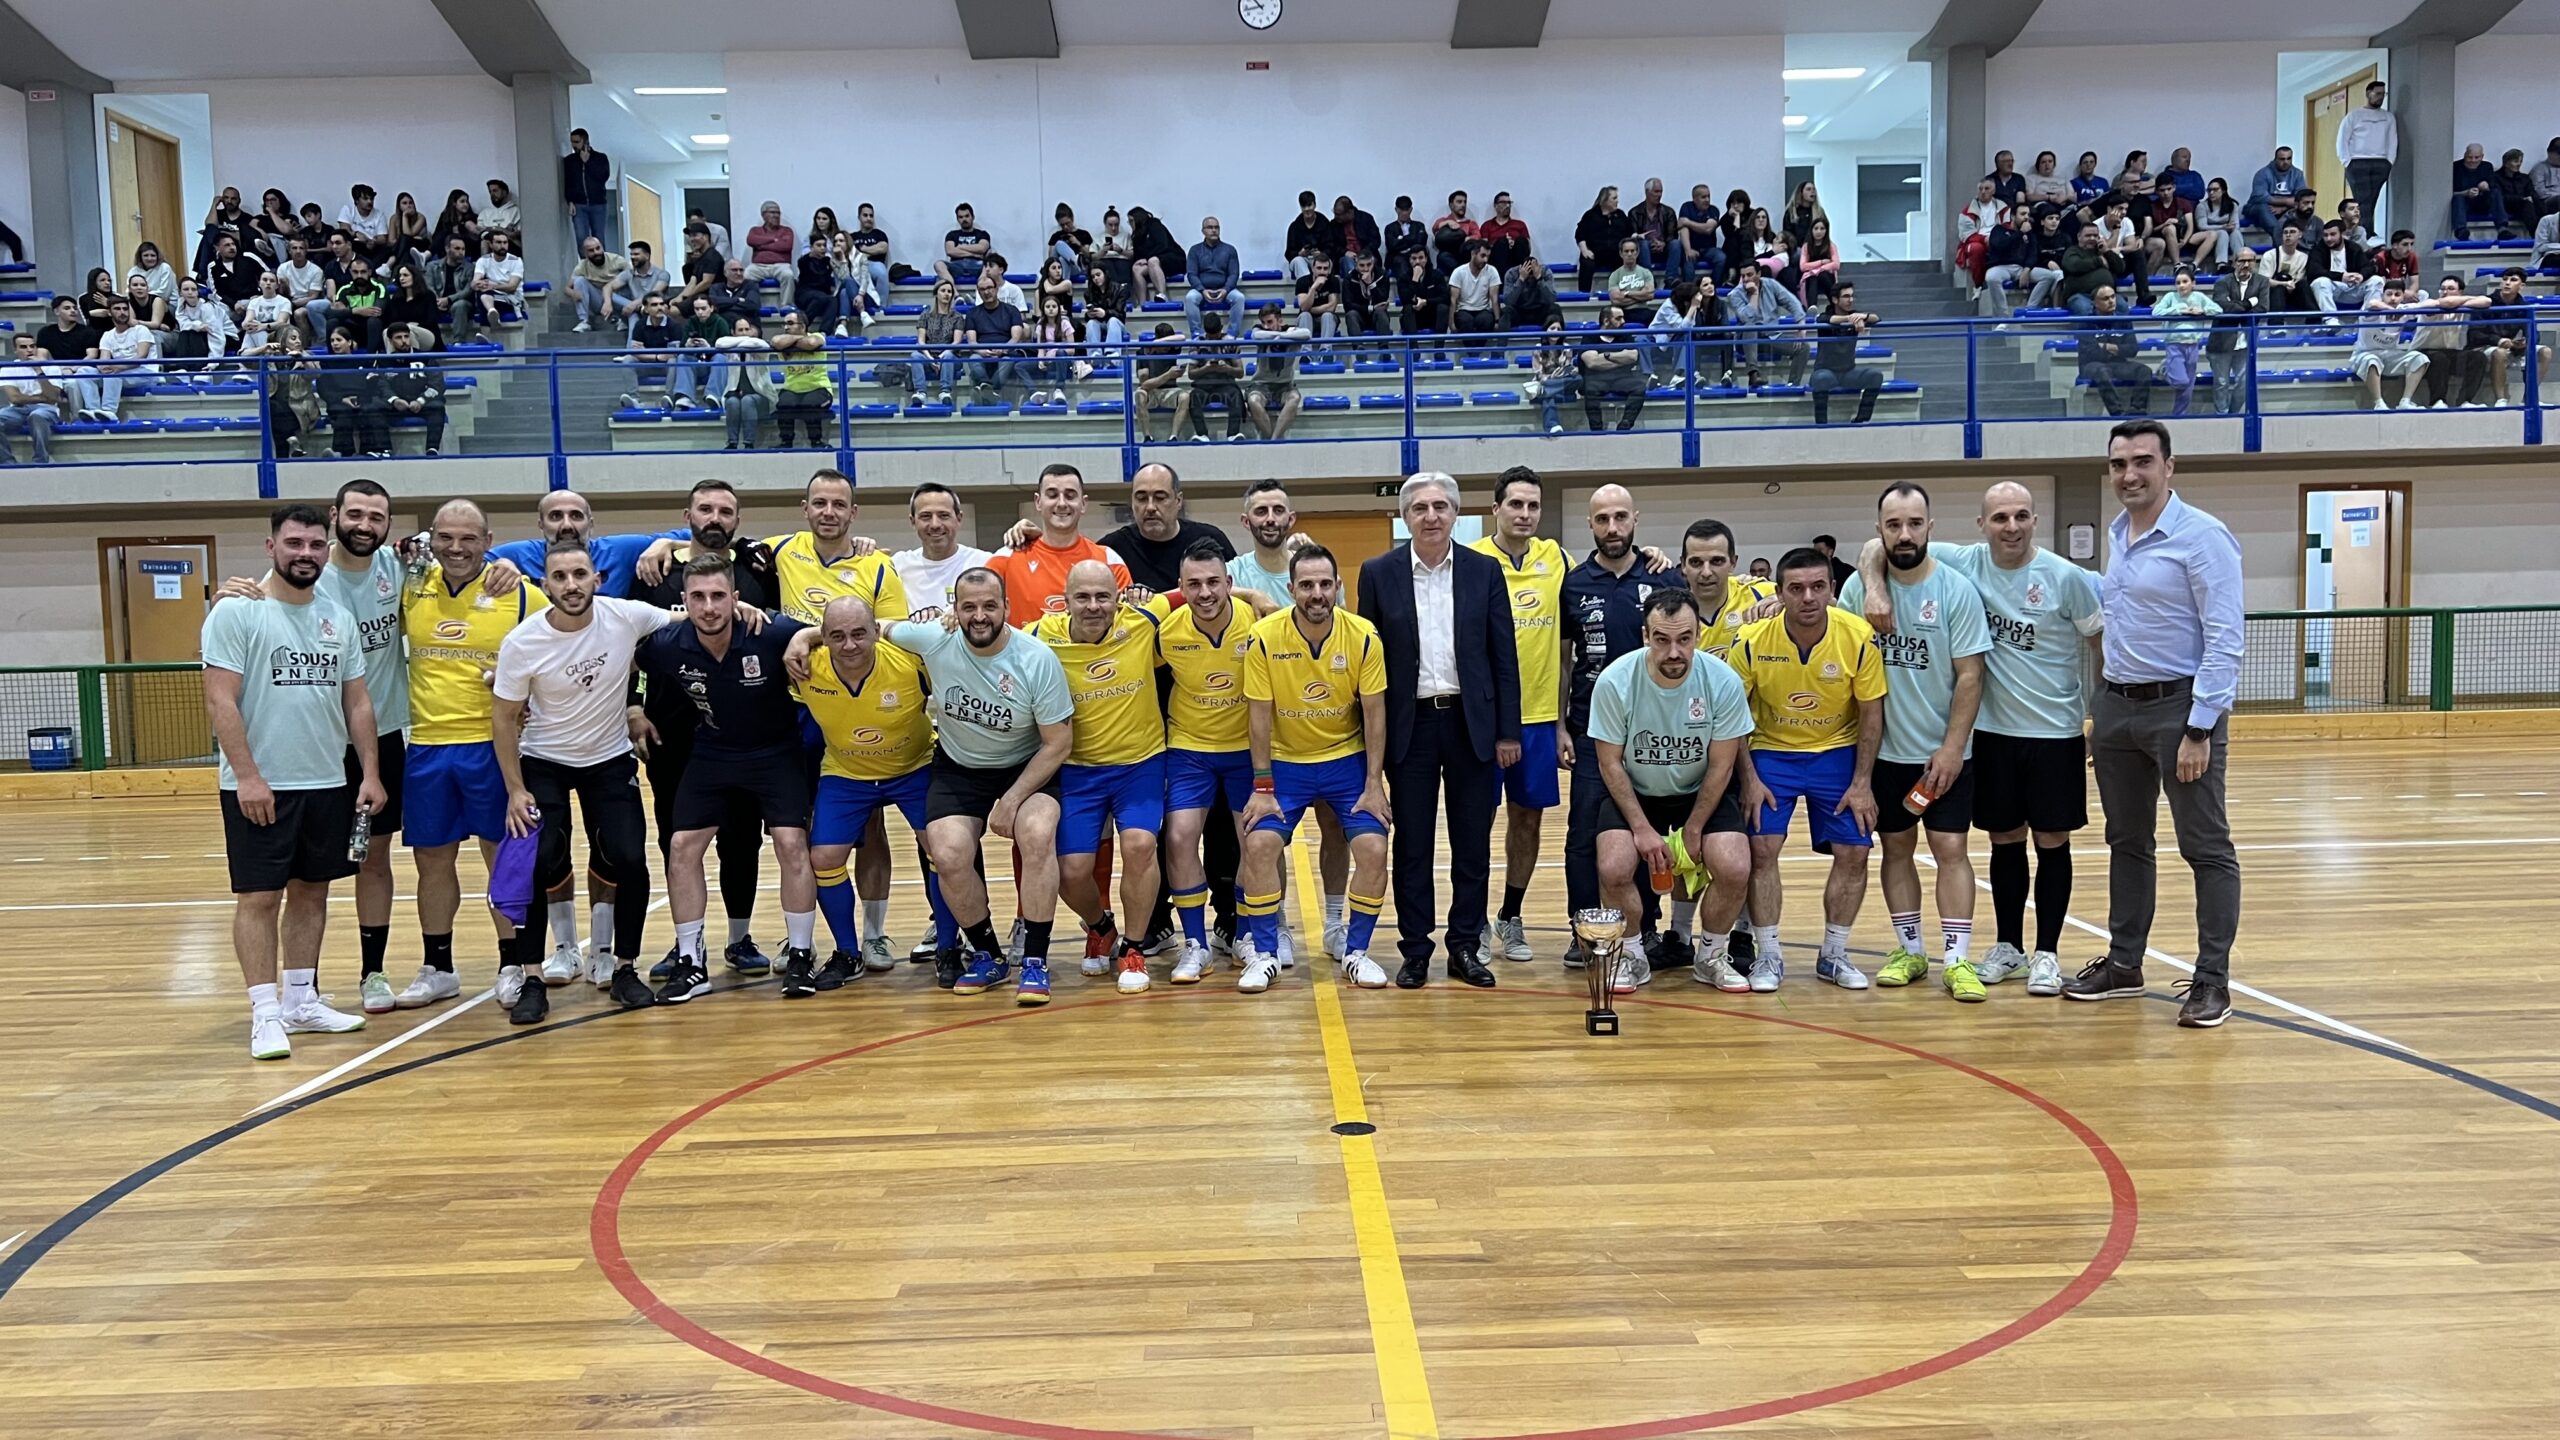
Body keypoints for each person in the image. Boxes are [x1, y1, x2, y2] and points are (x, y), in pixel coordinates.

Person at [1858, 481, 2102, 997]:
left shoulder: (2065, 577)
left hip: (2055, 732)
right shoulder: (1966, 561)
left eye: (2020, 516)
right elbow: (1878, 547)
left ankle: (2048, 954)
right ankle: (2009, 947)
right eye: (1999, 518)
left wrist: (2099, 716)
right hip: (1991, 735)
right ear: (1981, 525)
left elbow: (2101, 638)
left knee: (2051, 842)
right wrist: (1874, 586)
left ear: (2035, 520)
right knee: (2004, 840)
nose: (2010, 527)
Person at [2071, 421, 2240, 1028]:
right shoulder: (2120, 533)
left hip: (2180, 712)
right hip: (2117, 708)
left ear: (2170, 467)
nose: (2129, 474)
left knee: (2206, 847)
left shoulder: (2203, 538)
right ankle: (2124, 964)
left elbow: (2225, 640)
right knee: (2127, 841)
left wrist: (2200, 727)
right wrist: (2102, 712)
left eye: (2142, 461)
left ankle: (2212, 981)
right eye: (2119, 464)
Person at [203, 503, 386, 1059]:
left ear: (326, 551)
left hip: (327, 781)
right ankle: (263, 1012)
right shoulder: (236, 613)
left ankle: (301, 999)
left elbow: (356, 701)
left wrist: (370, 773)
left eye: (314, 545)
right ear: (271, 547)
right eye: (294, 544)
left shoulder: (336, 617)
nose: (305, 554)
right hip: (259, 787)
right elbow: (219, 699)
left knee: (312, 891)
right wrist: (250, 776)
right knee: (259, 897)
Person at [856, 568, 1073, 997]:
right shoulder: (934, 638)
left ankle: (1034, 959)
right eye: (969, 606)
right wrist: (804, 638)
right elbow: (866, 627)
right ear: (954, 610)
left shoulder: (1036, 658)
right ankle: (988, 955)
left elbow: (1059, 743)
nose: (979, 616)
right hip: (959, 767)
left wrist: (1011, 800)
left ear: (1007, 609)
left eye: (990, 606)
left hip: (1025, 766)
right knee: (948, 852)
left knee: (1036, 833)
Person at [490, 538, 665, 1019]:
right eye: (561, 577)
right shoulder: (523, 642)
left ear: (597, 580)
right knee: (540, 860)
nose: (571, 585)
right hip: (544, 759)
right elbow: (503, 720)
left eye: (580, 575)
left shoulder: (625, 616)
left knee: (629, 857)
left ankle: (624, 966)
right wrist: (515, 789)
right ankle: (531, 978)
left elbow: (689, 614)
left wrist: (749, 608)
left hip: (608, 758)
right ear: (545, 585)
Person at [1356, 473, 1519, 989]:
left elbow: (1503, 656)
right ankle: (1416, 949)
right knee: (1413, 848)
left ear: (1456, 513)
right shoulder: (1377, 573)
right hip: (1411, 728)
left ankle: (1465, 947)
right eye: (1420, 507)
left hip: (1473, 724)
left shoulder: (1483, 570)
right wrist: (1371, 752)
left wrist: (1507, 731)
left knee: (1473, 847)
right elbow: (1368, 665)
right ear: (1405, 517)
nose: (1431, 515)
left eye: (1441, 506)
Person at [636, 556, 820, 1003]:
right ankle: (691, 960)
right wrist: (632, 706)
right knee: (681, 847)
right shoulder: (666, 644)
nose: (709, 606)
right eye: (698, 597)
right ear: (684, 602)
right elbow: (628, 662)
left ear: (735, 599)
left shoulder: (767, 631)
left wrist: (801, 635)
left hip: (776, 753)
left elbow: (826, 628)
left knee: (791, 844)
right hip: (713, 752)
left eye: (719, 596)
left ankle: (799, 955)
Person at [1836, 485, 1993, 1002]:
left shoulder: (1956, 590)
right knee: (1896, 849)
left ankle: (1958, 959)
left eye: (1915, 523)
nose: (1905, 534)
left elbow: (1971, 677)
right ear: (1879, 531)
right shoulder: (1860, 592)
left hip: (1942, 754)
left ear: (1931, 527)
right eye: (1894, 525)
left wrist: (1952, 748)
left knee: (1951, 848)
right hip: (1881, 755)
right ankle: (1910, 950)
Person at [390, 499, 548, 1009]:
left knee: (502, 858)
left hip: (493, 747)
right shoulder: (409, 586)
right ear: (431, 538)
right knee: (431, 861)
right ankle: (438, 966)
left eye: (469, 539)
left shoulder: (522, 594)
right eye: (446, 538)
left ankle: (512, 963)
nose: (456, 549)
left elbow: (560, 650)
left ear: (488, 540)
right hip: (427, 746)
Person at [628, 482, 784, 978]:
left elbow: (780, 631)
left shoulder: (760, 568)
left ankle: (739, 939)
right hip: (671, 730)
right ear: (687, 515)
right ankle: (685, 945)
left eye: (725, 510)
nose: (714, 517)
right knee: (677, 838)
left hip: (744, 730)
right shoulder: (654, 569)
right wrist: (633, 707)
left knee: (742, 840)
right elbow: (631, 646)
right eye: (705, 509)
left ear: (737, 520)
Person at [1727, 547, 1886, 992]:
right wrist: (1750, 778)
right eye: (1796, 589)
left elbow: (1871, 713)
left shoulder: (1857, 636)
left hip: (1836, 752)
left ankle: (1834, 954)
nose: (1808, 597)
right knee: (1761, 849)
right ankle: (1769, 955)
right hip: (1771, 752)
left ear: (1833, 590)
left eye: (1818, 587)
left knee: (1855, 852)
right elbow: (1734, 715)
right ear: (1779, 593)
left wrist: (1862, 783)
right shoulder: (1753, 640)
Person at [1238, 545, 1392, 992]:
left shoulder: (1363, 636)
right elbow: (1259, 716)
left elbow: (1375, 714)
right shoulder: (1265, 637)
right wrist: (1262, 786)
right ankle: (1266, 951)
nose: (1317, 593)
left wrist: (1373, 783)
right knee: (1261, 843)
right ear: (1291, 590)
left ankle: (1352, 946)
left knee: (1373, 848)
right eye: (1306, 585)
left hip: (1346, 763)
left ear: (1338, 587)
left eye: (1325, 584)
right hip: (1286, 765)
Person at [1590, 588, 1758, 996]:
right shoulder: (1615, 681)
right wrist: (1643, 829)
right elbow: (1610, 763)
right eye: (1662, 640)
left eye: (1684, 638)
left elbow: (1722, 764)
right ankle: (1631, 954)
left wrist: (1696, 827)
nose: (1674, 652)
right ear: (1645, 636)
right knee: (1613, 866)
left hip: (1698, 791)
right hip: (1639, 792)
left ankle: (1711, 956)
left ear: (1698, 634)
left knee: (1735, 867)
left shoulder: (1722, 682)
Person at [1028, 561, 1171, 991]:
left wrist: (1256, 597)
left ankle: (1134, 947)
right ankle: (1100, 927)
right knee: (1071, 871)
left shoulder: (1144, 619)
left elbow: (1202, 593)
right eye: (1083, 597)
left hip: (1140, 763)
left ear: (1118, 597)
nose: (1093, 606)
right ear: (1065, 600)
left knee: (1141, 845)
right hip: (1077, 770)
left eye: (1103, 596)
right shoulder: (1038, 636)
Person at [1558, 485, 1677, 966]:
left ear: (1636, 520)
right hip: (1590, 728)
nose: (1612, 527)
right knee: (1583, 833)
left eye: (1620, 517)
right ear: (1590, 525)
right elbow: (1564, 662)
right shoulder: (1574, 583)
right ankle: (1584, 929)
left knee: (1642, 832)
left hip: (1649, 735)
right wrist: (1560, 725)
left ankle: (1644, 926)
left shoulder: (1662, 577)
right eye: (1602, 518)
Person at [1471, 468, 1570, 964]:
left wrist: (1654, 557)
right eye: (1515, 505)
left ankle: (1510, 916)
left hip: (1537, 718)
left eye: (1533, 505)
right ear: (1495, 509)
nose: (1525, 514)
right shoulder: (1470, 561)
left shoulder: (1557, 559)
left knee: (1526, 821)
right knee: (1476, 822)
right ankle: (1470, 923)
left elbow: (1608, 578)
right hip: (1484, 721)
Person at [2148, 266, 2222, 416]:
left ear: (2193, 283)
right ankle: (2165, 369)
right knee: (2180, 381)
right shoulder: (2170, 297)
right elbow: (2156, 312)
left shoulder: (2200, 297)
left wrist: (2203, 311)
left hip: (2193, 345)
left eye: (2185, 281)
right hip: (2174, 344)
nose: (2181, 285)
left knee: (2188, 386)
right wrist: (2179, 310)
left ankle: (2179, 415)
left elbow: (2218, 310)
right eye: (2178, 282)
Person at [2350, 276, 2429, 411]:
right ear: (2383, 295)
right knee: (2371, 360)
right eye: (2389, 294)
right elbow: (2373, 304)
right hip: (2364, 355)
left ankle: (2405, 401)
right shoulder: (2371, 310)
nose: (2393, 298)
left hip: (2390, 356)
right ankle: (2379, 403)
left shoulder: (2403, 309)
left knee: (2420, 359)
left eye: (2397, 295)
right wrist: (2392, 311)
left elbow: (2428, 304)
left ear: (2403, 296)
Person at [1808, 284, 1884, 425]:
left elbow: (1876, 318)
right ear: (1835, 300)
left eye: (1851, 296)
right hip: (1826, 372)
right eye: (1846, 296)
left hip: (1848, 372)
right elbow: (1827, 320)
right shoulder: (1825, 316)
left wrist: (1863, 316)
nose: (1851, 300)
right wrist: (1850, 318)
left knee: (1875, 375)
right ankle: (1821, 426)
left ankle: (1861, 420)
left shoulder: (1856, 315)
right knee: (1821, 379)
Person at [2078, 287, 2151, 417]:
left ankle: (2137, 410)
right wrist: (2118, 349)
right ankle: (2118, 413)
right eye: (2105, 298)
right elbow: (2090, 352)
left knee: (2144, 371)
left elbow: (2133, 349)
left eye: (2112, 297)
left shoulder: (2124, 320)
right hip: (2091, 365)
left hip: (2118, 364)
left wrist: (2105, 346)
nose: (2111, 301)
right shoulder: (2085, 322)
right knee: (2102, 371)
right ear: (2095, 303)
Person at [1244, 305, 1310, 440]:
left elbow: (1306, 333)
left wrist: (1282, 336)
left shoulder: (1290, 330)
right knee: (1253, 400)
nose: (1266, 326)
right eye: (1264, 322)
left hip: (1285, 385)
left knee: (1295, 398)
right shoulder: (1260, 330)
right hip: (1261, 384)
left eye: (1270, 322)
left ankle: (1274, 439)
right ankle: (1270, 439)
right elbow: (1256, 335)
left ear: (1280, 321)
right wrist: (1282, 336)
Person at [379, 324, 445, 455]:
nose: (404, 341)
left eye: (406, 336)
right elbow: (381, 385)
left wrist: (421, 400)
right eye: (398, 338)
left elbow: (437, 384)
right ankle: (385, 449)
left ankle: (432, 449)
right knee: (374, 407)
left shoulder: (426, 357)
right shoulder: (383, 361)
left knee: (438, 407)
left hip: (421, 403)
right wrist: (394, 400)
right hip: (396, 405)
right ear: (391, 341)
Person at [2338, 79, 2397, 225]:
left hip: (2380, 162)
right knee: (2362, 201)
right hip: (2357, 162)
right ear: (2368, 94)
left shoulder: (2388, 117)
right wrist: (2347, 161)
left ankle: (2365, 231)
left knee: (2372, 200)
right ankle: (2366, 232)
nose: (2380, 97)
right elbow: (2342, 141)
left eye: (2383, 94)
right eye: (2377, 93)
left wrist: (2389, 161)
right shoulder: (2353, 116)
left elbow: (2392, 140)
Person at [0, 335, 66, 465]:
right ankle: (7, 462)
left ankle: (40, 461)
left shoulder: (51, 368)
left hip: (46, 409)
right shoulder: (7, 368)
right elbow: (15, 398)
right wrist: (42, 398)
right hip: (17, 410)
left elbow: (52, 398)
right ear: (15, 350)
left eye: (32, 346)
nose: (29, 350)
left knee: (37, 415)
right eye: (23, 347)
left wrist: (38, 371)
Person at [1184, 216, 1246, 337]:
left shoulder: (1230, 249)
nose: (1214, 230)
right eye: (1210, 227)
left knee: (1239, 298)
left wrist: (1225, 289)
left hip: (1225, 289)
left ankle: (1232, 334)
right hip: (1201, 289)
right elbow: (1192, 274)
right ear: (1203, 231)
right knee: (1190, 298)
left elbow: (1234, 274)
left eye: (1216, 227)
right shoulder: (1194, 250)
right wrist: (1202, 290)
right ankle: (1196, 335)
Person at [566, 235, 629, 334]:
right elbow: (567, 288)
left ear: (602, 247)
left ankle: (621, 319)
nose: (596, 252)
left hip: (618, 298)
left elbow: (633, 279)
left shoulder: (617, 260)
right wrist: (573, 293)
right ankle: (584, 321)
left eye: (598, 248)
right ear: (585, 253)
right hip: (599, 301)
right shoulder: (582, 266)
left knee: (623, 283)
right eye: (591, 250)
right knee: (579, 281)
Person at [742, 201, 797, 309]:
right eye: (772, 212)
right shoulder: (755, 230)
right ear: (763, 215)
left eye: (778, 213)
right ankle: (750, 304)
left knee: (788, 275)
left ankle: (786, 306)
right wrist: (774, 240)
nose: (776, 216)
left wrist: (761, 245)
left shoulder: (786, 231)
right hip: (759, 266)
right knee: (746, 275)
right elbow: (751, 240)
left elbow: (786, 246)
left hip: (781, 265)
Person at [2245, 146, 2305, 239]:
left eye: (2289, 159)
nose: (2286, 162)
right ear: (2275, 159)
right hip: (2260, 207)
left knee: (2305, 208)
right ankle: (2280, 238)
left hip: (2286, 209)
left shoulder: (2297, 174)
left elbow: (2301, 197)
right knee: (2264, 208)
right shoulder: (2263, 173)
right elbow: (2260, 197)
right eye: (2282, 159)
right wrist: (2286, 202)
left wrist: (2283, 208)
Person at [938, 201, 991, 286]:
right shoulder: (951, 234)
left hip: (977, 266)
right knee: (939, 264)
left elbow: (982, 248)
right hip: (956, 265)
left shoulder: (982, 234)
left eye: (967, 216)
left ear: (973, 217)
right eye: (961, 217)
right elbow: (950, 251)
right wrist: (974, 254)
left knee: (989, 266)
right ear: (957, 219)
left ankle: (979, 295)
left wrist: (959, 247)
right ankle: (955, 295)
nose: (964, 219)